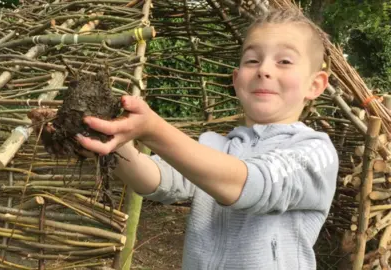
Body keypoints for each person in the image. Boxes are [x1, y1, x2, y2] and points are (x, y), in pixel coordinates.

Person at [76, 8, 339, 270]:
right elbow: (156, 180)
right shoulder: (214, 146)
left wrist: (153, 129)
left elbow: (254, 185)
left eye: (284, 61)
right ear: (236, 81)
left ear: (315, 85)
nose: (264, 70)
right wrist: (111, 143)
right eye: (252, 60)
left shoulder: (315, 151)